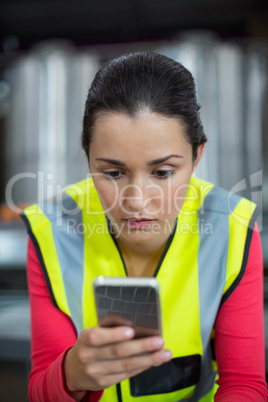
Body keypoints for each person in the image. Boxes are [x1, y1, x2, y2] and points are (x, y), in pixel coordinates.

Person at [21, 51, 267, 401]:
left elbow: (244, 385)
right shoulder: (51, 232)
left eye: (163, 173)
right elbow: (40, 392)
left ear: (197, 156)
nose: (136, 201)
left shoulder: (233, 230)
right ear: (87, 157)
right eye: (113, 173)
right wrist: (71, 375)